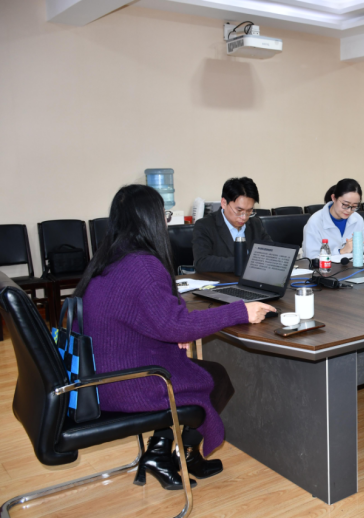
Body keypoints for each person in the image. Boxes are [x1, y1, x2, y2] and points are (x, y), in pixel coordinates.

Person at [76, 185, 276, 490]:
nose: (166, 222)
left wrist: (174, 329)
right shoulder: (142, 265)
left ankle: (165, 452)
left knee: (211, 373)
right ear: (151, 219)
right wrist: (240, 311)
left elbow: (156, 312)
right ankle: (174, 452)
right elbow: (175, 325)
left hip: (103, 374)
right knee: (216, 379)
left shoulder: (112, 258)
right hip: (130, 382)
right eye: (164, 215)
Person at [192, 177, 272, 273]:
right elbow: (202, 262)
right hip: (222, 280)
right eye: (239, 210)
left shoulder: (255, 224)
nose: (244, 217)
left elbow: (271, 253)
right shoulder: (205, 225)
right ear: (224, 203)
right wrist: (246, 263)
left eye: (249, 211)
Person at [302, 179, 364, 259]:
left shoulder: (358, 219)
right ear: (334, 198)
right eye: (345, 204)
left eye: (354, 206)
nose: (349, 210)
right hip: (326, 267)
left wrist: (357, 249)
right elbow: (311, 258)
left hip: (353, 266)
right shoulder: (315, 222)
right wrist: (341, 251)